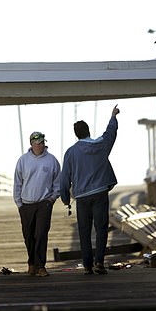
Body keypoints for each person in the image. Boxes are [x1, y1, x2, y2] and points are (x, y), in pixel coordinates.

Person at [60, 105, 120, 275]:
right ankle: (99, 262)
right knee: (101, 229)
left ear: (76, 134)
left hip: (82, 197)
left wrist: (65, 198)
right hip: (100, 193)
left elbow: (64, 178)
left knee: (84, 231)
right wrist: (113, 116)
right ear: (88, 131)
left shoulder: (70, 153)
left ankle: (87, 265)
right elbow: (110, 134)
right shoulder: (101, 145)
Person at [13, 131, 61, 277]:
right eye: (37, 143)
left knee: (41, 234)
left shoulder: (52, 160)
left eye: (41, 143)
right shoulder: (23, 160)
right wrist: (19, 203)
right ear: (31, 144)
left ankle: (41, 266)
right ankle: (31, 263)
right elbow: (17, 182)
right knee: (28, 235)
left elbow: (57, 182)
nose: (40, 145)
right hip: (26, 204)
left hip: (44, 203)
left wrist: (52, 199)